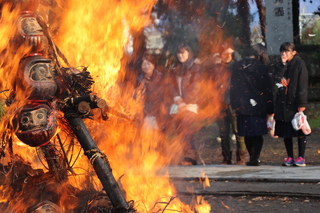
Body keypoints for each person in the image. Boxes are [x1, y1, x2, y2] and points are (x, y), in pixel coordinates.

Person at [230, 43, 274, 166]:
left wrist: (235, 105)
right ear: (261, 54)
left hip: (242, 105)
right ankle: (255, 157)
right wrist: (270, 108)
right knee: (257, 133)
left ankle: (252, 157)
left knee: (247, 133)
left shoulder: (237, 66)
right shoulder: (263, 68)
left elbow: (233, 88)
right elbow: (267, 89)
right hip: (258, 105)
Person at [273, 42, 309, 167]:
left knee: (299, 129)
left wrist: (302, 102)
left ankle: (301, 157)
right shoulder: (279, 65)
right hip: (283, 103)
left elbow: (302, 84)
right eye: (282, 51)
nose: (284, 54)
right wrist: (283, 65)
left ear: (294, 52)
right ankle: (290, 156)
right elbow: (276, 78)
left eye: (287, 51)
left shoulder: (299, 64)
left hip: (295, 103)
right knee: (286, 131)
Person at [210, 43, 246, 165]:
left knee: (238, 131)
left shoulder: (236, 66)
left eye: (229, 53)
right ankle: (226, 158)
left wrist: (235, 53)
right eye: (224, 54)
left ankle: (240, 158)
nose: (226, 56)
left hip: (234, 103)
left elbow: (242, 64)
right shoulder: (217, 68)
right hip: (220, 104)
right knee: (223, 132)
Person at [169, 42, 201, 165]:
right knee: (179, 129)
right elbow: (171, 86)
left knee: (187, 128)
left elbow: (196, 86)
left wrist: (185, 102)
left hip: (191, 104)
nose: (180, 55)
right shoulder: (174, 67)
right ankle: (185, 154)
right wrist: (177, 98)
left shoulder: (195, 66)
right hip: (178, 104)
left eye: (182, 52)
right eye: (178, 53)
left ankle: (191, 156)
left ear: (188, 53)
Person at [133, 54, 164, 131]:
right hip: (142, 110)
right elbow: (135, 95)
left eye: (148, 64)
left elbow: (159, 97)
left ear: (153, 65)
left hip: (156, 111)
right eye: (144, 64)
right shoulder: (139, 78)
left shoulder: (159, 78)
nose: (146, 66)